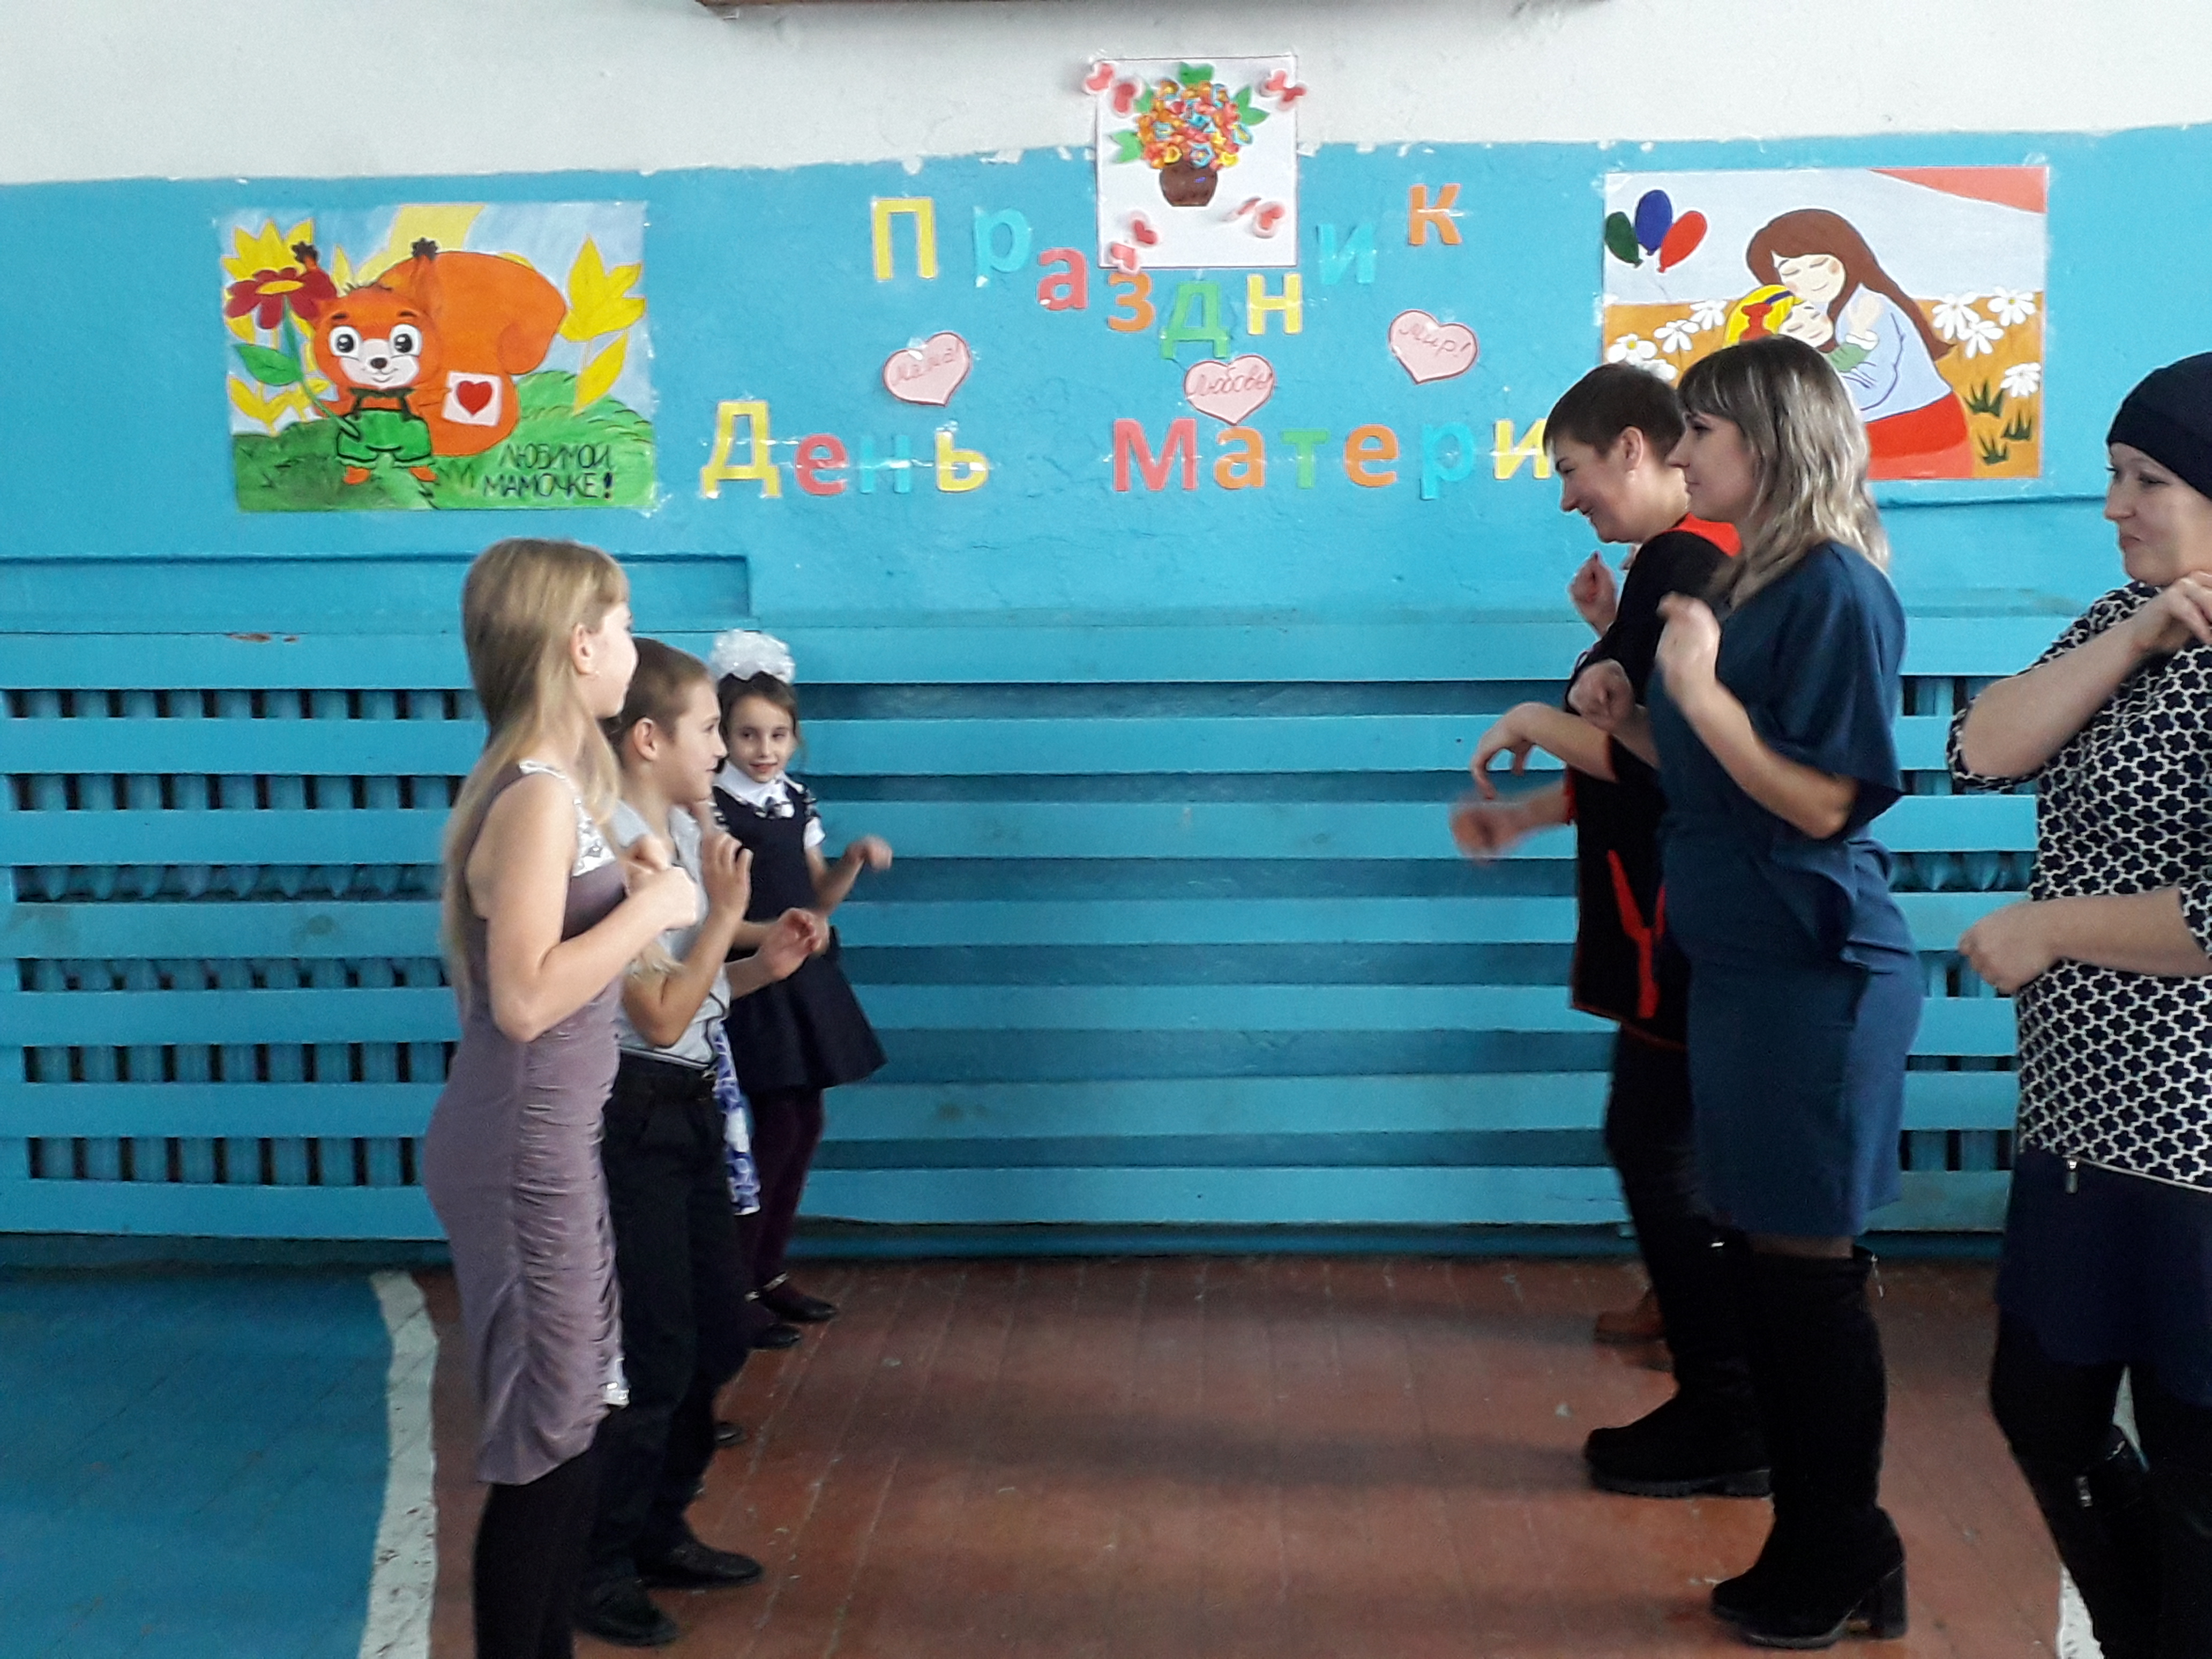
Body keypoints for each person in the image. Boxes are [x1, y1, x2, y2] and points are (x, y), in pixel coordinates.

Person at [1573, 336, 1922, 1648]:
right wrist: (1633, 712)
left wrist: (1696, 692)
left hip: (1811, 974)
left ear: (1763, 443)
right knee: (1761, 1262)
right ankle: (1821, 1537)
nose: (1683, 454)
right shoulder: (1756, 581)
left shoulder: (1834, 585)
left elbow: (1826, 800)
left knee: (1805, 1274)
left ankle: (1842, 1543)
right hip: (1740, 970)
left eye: (1701, 434)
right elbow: (1716, 773)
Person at [1451, 364, 1755, 1500]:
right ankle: (1710, 1350)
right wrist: (1531, 812)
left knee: (1653, 1137)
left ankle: (1726, 1396)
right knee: (1667, 1137)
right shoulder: (1660, 571)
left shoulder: (1687, 564)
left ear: (1634, 446)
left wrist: (1537, 716)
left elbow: (1675, 762)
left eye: (1574, 470)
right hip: (1669, 906)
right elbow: (1630, 752)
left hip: (1679, 913)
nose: (1568, 497)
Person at [1950, 353, 2212, 1658]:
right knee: (2040, 1407)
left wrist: (2047, 926)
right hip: (2078, 1116)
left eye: (2146, 480)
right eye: (2114, 475)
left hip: (2193, 1145)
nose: (2115, 506)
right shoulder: (2126, 621)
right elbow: (1982, 748)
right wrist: (2138, 632)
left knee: (2196, 1465)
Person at [421, 538, 701, 1659]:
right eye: (623, 624)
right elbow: (528, 999)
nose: (634, 645)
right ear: (580, 644)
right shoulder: (537, 796)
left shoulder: (555, 785)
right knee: (548, 1445)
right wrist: (651, 909)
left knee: (575, 1425)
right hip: (522, 1152)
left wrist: (629, 878)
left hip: (550, 1145)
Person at [580, 639, 826, 1648]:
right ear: (649, 740)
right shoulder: (611, 846)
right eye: (708, 730)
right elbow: (657, 1013)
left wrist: (763, 963)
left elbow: (696, 986)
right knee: (654, 1349)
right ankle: (599, 1565)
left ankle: (660, 1528)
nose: (723, 748)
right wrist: (728, 914)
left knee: (716, 1336)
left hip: (685, 1102)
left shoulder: (683, 831)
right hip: (633, 1110)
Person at [708, 632, 891, 1339]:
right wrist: (776, 936)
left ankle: (767, 1271)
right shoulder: (710, 809)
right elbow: (708, 921)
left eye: (778, 735)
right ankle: (734, 1286)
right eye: (747, 734)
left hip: (800, 976)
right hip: (755, 984)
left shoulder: (792, 799)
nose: (765, 749)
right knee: (770, 1130)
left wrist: (850, 862)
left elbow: (819, 895)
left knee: (804, 1123)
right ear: (722, 736)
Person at [1744, 208, 1973, 481]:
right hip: (1860, 438)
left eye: (1820, 264)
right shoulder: (1809, 312)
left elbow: (1869, 388)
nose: (1811, 279)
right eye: (1792, 271)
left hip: (1917, 434)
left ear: (1847, 257)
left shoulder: (1869, 308)